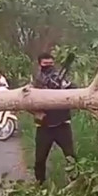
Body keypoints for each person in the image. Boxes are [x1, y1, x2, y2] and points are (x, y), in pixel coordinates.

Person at [32, 52, 75, 183]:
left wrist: (65, 87)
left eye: (51, 63)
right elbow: (29, 101)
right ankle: (39, 184)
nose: (49, 66)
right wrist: (37, 113)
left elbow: (74, 89)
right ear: (40, 64)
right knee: (40, 159)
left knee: (71, 157)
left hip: (62, 124)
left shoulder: (60, 78)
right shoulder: (37, 81)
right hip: (44, 126)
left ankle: (75, 181)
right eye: (45, 64)